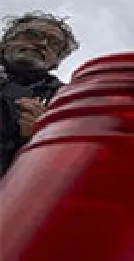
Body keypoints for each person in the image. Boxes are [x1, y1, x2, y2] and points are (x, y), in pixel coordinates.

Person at [0, 11, 79, 177]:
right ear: (6, 42)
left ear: (56, 62)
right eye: (32, 35)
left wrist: (43, 135)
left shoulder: (65, 101)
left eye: (54, 44)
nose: (42, 44)